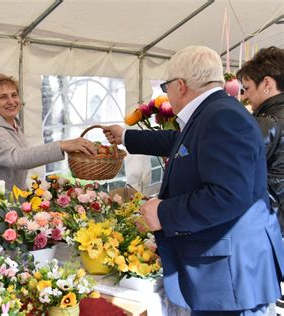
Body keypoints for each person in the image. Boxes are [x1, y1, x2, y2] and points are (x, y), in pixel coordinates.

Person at [103, 46, 284, 315]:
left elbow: (228, 195)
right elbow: (183, 143)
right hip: (226, 273)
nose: (167, 94)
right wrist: (127, 136)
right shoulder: (215, 111)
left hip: (230, 278)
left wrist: (162, 212)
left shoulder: (222, 116)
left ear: (181, 85)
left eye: (166, 87)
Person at [0, 73, 96, 202]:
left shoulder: (13, 127)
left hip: (6, 209)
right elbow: (17, 158)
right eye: (3, 97)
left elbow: (15, 172)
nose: (11, 101)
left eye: (14, 95)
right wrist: (62, 145)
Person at [236, 46, 284, 235]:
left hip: (270, 224)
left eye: (247, 88)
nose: (245, 96)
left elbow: (235, 166)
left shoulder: (267, 122)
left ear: (267, 83)